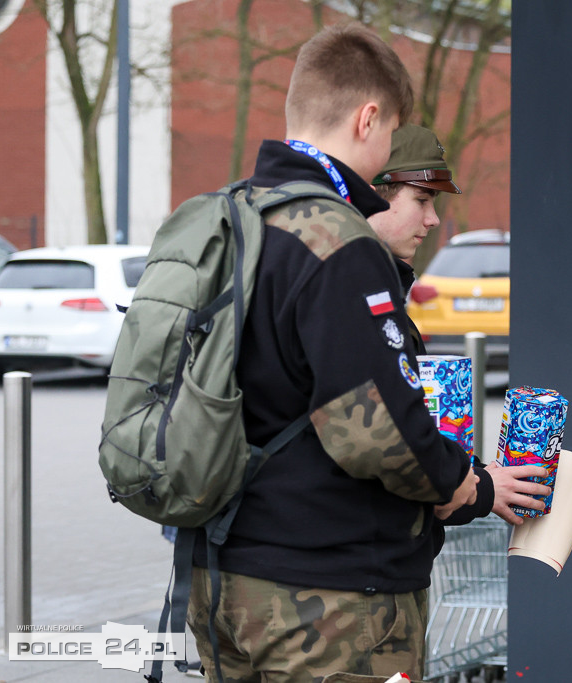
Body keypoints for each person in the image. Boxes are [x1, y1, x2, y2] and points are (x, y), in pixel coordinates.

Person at [185, 25, 478, 682]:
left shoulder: (233, 219)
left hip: (220, 584)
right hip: (328, 607)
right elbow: (377, 435)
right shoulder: (337, 242)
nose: (383, 163)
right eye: (390, 130)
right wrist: (465, 481)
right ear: (367, 117)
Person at [367, 123, 551, 527]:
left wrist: (480, 478)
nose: (433, 219)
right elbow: (383, 447)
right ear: (375, 197)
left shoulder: (381, 290)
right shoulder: (353, 297)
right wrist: (481, 486)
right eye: (421, 199)